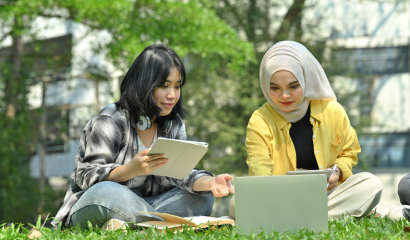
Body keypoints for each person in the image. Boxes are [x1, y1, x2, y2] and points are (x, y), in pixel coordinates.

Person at [51, 44, 234, 230]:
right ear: (145, 84)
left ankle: (137, 226)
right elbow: (86, 176)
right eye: (164, 86)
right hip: (99, 202)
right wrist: (130, 170)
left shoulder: (173, 123)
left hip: (148, 205)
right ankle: (162, 225)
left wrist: (211, 183)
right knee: (108, 192)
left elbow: (182, 173)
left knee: (202, 197)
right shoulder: (109, 120)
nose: (172, 95)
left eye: (177, 87)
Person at [228, 41, 382, 219]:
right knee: (237, 203)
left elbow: (349, 152)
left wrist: (337, 171)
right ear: (265, 85)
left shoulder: (332, 110)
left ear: (306, 80)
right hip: (279, 199)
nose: (285, 95)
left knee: (370, 184)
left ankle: (290, 219)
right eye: (275, 88)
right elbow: (260, 173)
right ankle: (322, 216)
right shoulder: (260, 120)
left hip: (327, 195)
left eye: (293, 86)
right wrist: (273, 196)